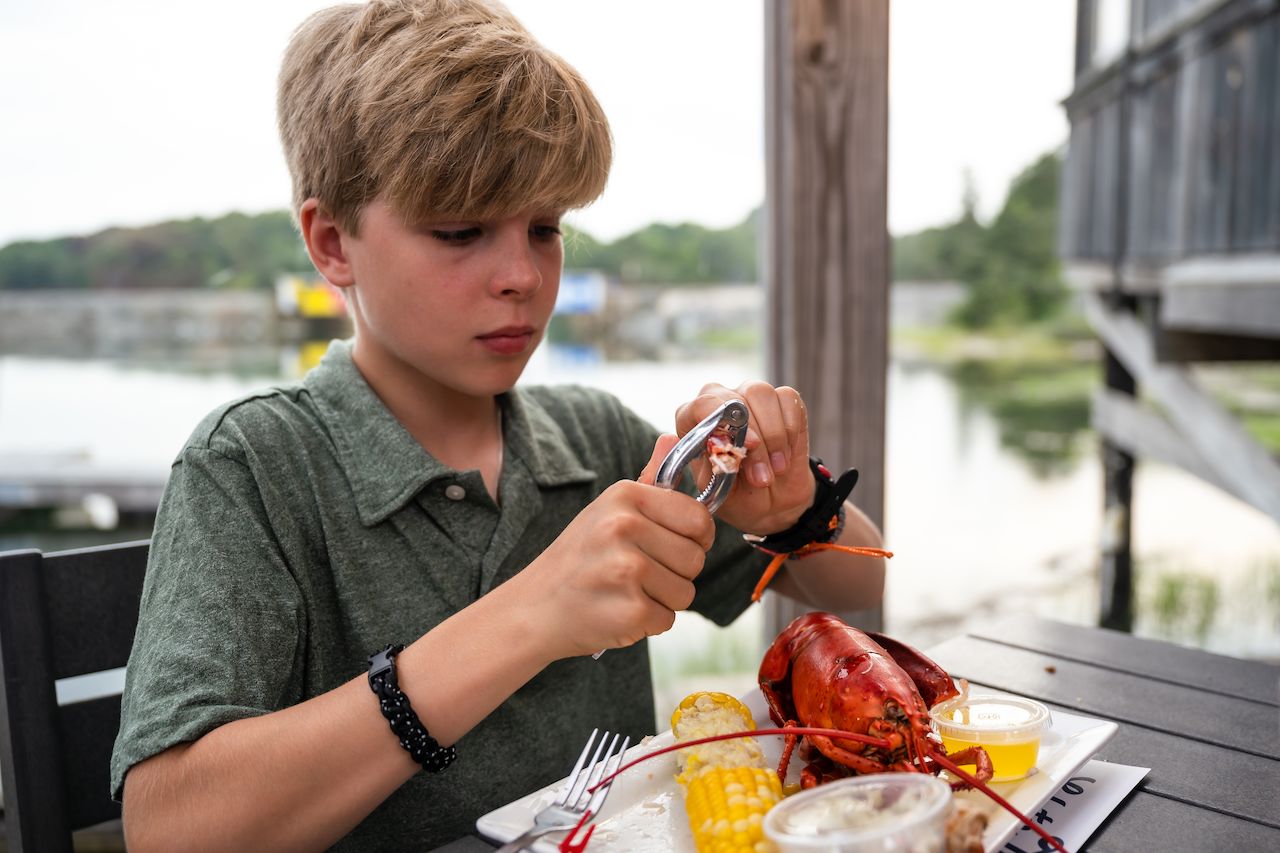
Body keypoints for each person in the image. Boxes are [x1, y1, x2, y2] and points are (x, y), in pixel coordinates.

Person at [110, 1, 887, 850]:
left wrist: (795, 509)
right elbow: (169, 826)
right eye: (460, 230)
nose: (522, 274)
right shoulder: (255, 464)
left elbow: (855, 587)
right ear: (333, 242)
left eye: (546, 227)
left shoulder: (594, 440)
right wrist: (530, 616)